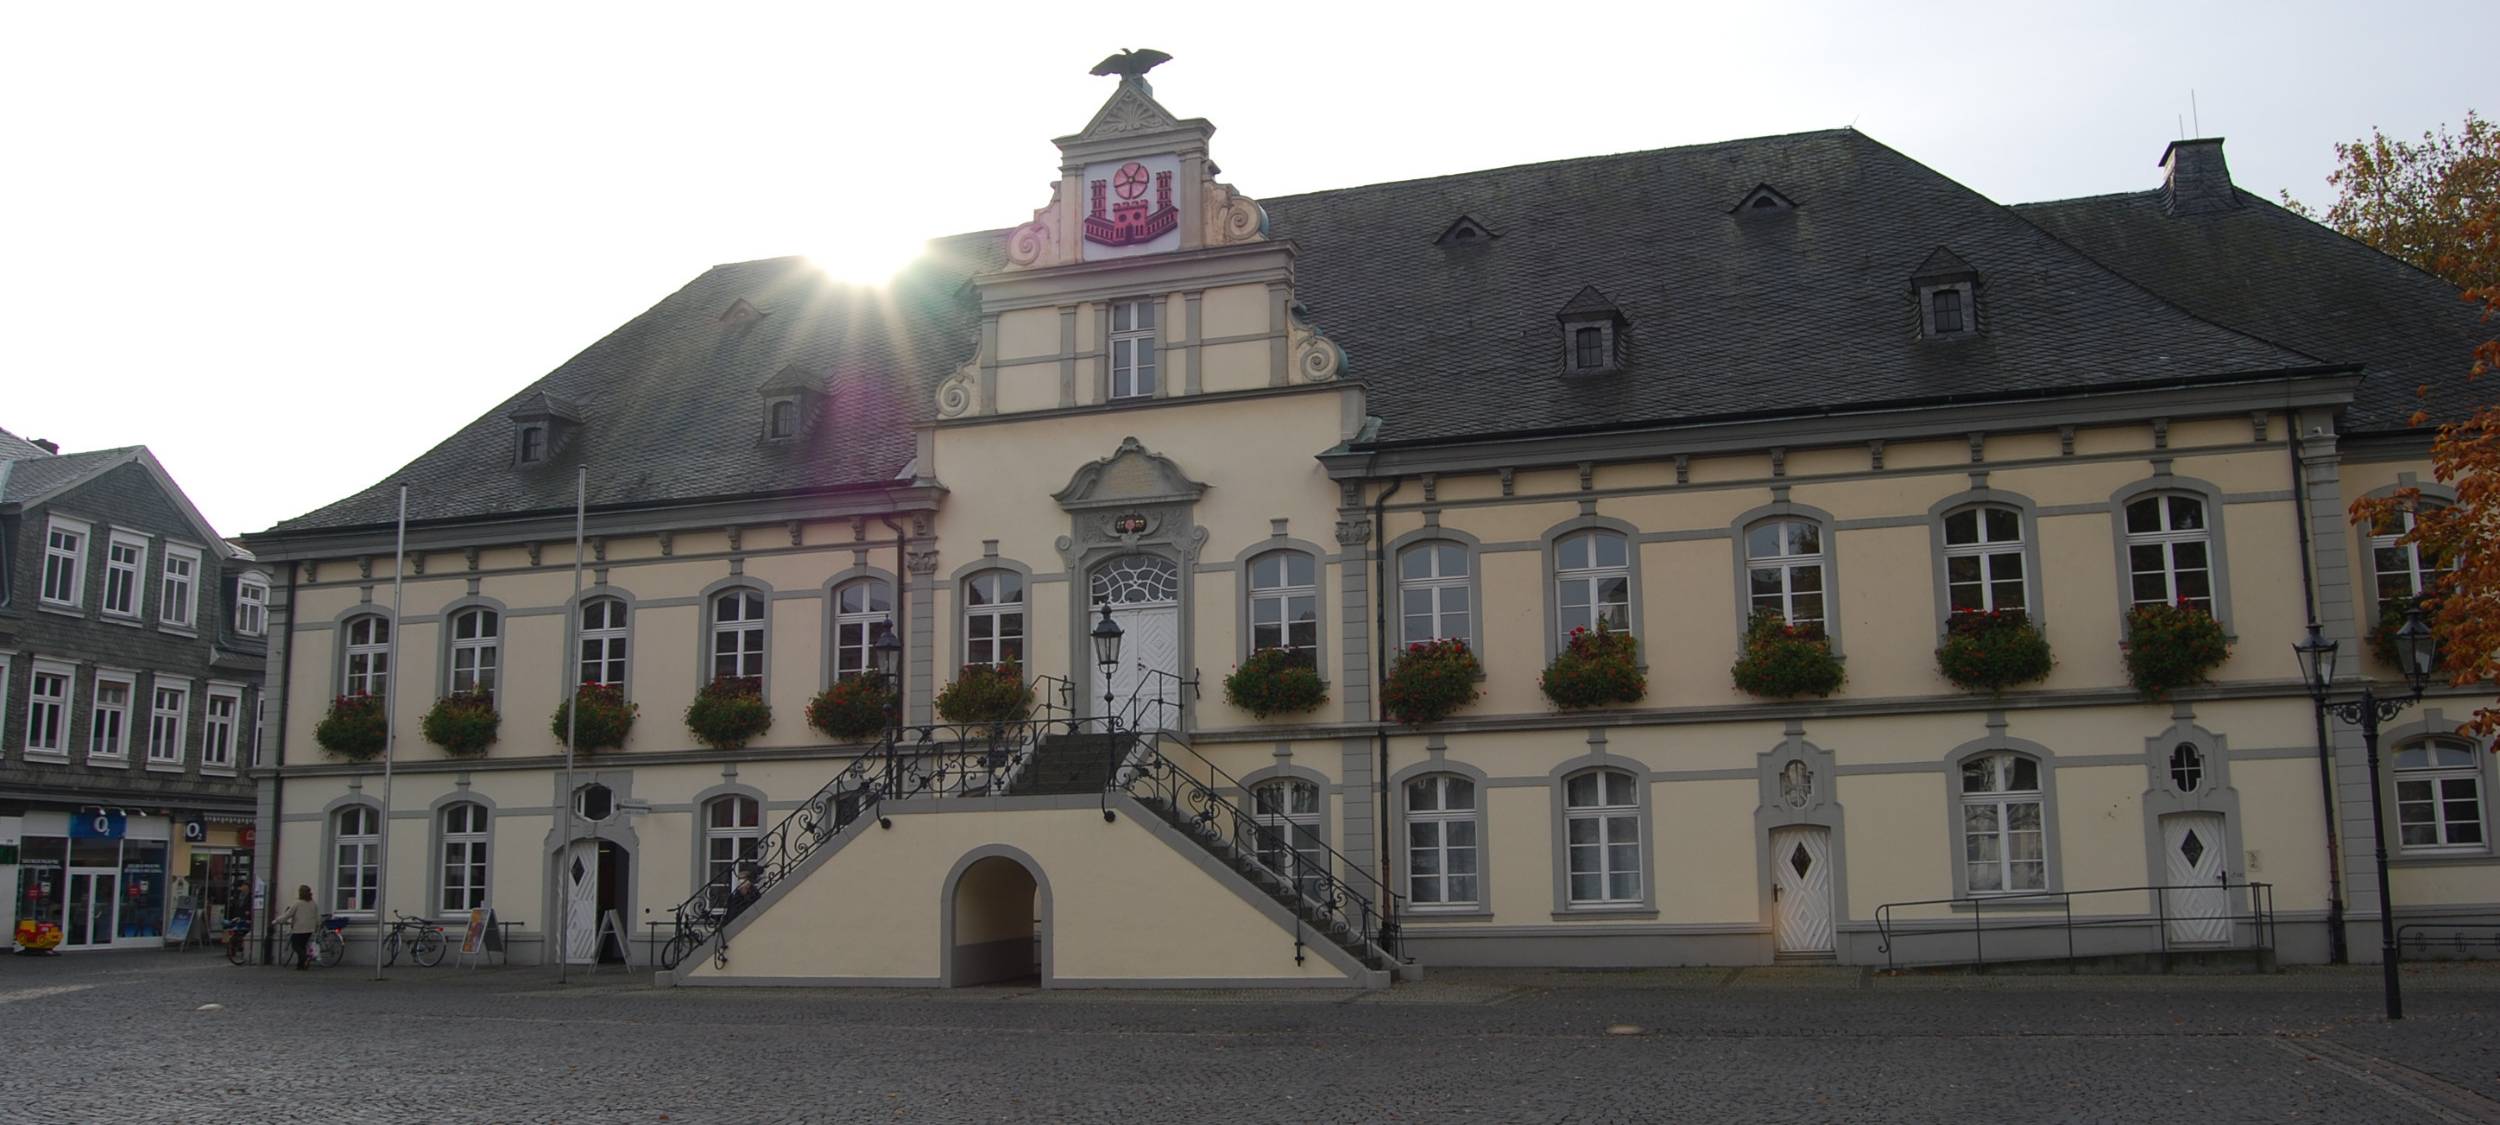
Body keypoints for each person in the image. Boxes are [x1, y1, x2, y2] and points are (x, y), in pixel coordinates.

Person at [275, 885, 320, 970]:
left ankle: (305, 957)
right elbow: (317, 917)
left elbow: (288, 914)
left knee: (295, 945)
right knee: (302, 946)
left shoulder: (297, 903)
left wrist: (277, 920)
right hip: (310, 929)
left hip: (299, 929)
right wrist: (317, 926)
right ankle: (301, 965)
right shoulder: (313, 903)